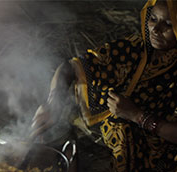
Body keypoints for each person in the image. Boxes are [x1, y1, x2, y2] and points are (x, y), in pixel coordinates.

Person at [31, 0, 177, 171]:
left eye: (168, 23)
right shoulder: (133, 48)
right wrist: (53, 102)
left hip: (155, 150)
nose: (155, 29)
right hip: (106, 136)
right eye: (153, 18)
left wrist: (137, 116)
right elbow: (70, 67)